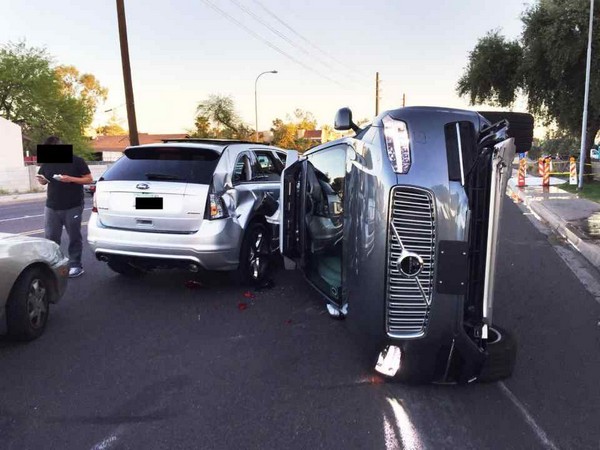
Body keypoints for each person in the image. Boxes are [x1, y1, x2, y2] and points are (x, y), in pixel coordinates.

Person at [36, 136, 93, 278]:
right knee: (51, 237)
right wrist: (42, 180)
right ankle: (53, 264)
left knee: (74, 236)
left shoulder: (77, 160)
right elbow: (44, 180)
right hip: (51, 206)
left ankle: (75, 265)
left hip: (72, 205)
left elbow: (89, 179)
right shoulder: (48, 162)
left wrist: (70, 179)